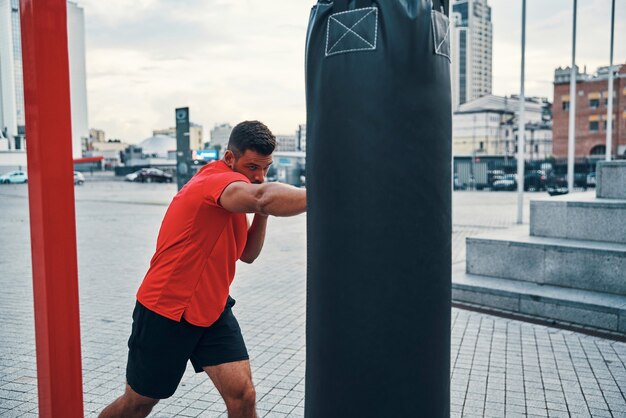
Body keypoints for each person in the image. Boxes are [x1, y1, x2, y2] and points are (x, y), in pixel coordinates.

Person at [100, 121, 306, 418]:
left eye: (265, 168)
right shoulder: (214, 183)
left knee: (243, 395)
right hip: (166, 309)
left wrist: (262, 213)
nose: (259, 176)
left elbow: (248, 254)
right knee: (138, 403)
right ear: (229, 159)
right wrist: (323, 194)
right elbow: (262, 197)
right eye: (252, 167)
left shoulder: (240, 192)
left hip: (212, 308)